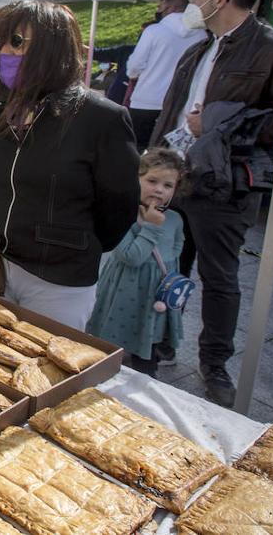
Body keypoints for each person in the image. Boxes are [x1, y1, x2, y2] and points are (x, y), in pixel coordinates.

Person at [150, 0, 273, 407]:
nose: (193, 1)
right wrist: (151, 166)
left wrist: (222, 125)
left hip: (225, 186)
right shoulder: (197, 49)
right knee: (169, 268)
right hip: (176, 178)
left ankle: (214, 364)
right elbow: (172, 111)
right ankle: (163, 342)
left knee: (219, 277)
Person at [0, 0, 140, 330]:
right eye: (0, 41)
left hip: (58, 279)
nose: (4, 51)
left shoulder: (101, 118)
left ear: (52, 48)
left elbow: (118, 210)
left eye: (16, 41)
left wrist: (69, 242)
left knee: (46, 373)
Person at [87, 149, 187, 377]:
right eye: (152, 181)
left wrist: (167, 271)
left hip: (155, 295)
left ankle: (145, 376)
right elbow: (131, 257)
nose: (159, 189)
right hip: (125, 290)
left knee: (149, 343)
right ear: (136, 179)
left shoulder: (175, 219)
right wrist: (151, 227)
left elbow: (177, 246)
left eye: (168, 185)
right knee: (112, 342)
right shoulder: (125, 215)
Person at [125, 0, 205, 149]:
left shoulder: (153, 31)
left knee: (137, 150)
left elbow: (134, 66)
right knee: (171, 153)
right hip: (181, 105)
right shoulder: (202, 35)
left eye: (160, 7)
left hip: (146, 101)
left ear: (170, 8)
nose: (158, 10)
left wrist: (134, 75)